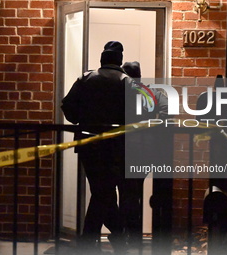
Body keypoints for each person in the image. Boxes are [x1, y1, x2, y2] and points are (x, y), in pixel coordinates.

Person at [61, 41, 133, 255]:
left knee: (102, 192)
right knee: (104, 193)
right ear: (119, 61)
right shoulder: (127, 82)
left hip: (88, 145)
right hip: (115, 147)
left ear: (102, 59)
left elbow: (67, 106)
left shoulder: (85, 78)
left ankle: (110, 239)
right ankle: (104, 240)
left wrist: (81, 120)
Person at [121, 61, 170, 248]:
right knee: (134, 193)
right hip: (144, 150)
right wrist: (153, 127)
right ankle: (131, 235)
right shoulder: (152, 93)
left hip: (123, 149)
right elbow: (168, 111)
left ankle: (126, 234)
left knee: (126, 194)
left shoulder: (121, 94)